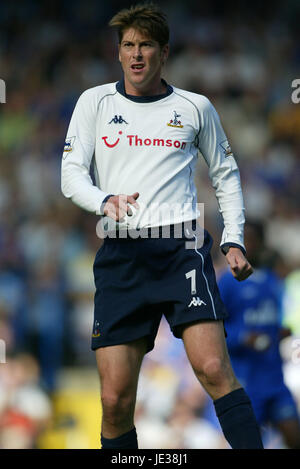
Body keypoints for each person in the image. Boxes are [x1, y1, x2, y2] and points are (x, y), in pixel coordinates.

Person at [61, 3, 263, 449]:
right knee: (115, 401)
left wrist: (233, 238)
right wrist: (103, 200)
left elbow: (226, 174)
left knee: (213, 369)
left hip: (181, 249)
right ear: (118, 53)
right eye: (128, 45)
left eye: (145, 45)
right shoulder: (94, 103)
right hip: (120, 254)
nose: (136, 55)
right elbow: (71, 174)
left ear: (163, 52)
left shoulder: (194, 107)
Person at [218, 220, 300, 448]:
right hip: (245, 381)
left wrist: (281, 332)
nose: (249, 245)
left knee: (294, 436)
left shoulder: (273, 281)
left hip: (274, 378)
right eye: (245, 240)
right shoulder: (227, 281)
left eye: (253, 239)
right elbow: (216, 331)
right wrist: (243, 338)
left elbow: (273, 322)